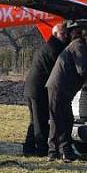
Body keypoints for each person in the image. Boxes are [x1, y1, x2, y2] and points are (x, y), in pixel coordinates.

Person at [45, 26, 87, 162]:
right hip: (60, 87)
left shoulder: (76, 46)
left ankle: (54, 152)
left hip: (58, 87)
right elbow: (82, 69)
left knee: (59, 119)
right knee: (63, 119)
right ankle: (64, 151)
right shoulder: (79, 46)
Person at [22, 22, 69, 156]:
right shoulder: (55, 48)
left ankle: (29, 148)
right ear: (55, 34)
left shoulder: (48, 46)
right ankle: (41, 149)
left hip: (32, 88)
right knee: (40, 120)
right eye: (63, 33)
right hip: (38, 90)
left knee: (35, 120)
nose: (65, 36)